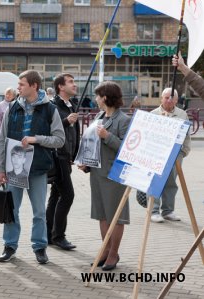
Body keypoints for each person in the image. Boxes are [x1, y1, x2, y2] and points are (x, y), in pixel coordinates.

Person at [0, 70, 65, 264]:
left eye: (22, 84)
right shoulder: (11, 108)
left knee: (39, 212)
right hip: (13, 167)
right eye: (18, 85)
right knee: (11, 209)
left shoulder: (50, 109)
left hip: (37, 168)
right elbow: (2, 140)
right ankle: (9, 246)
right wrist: (0, 167)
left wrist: (36, 140)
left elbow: (60, 140)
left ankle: (40, 247)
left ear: (34, 86)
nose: (18, 88)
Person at [78, 81, 130, 271]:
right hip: (98, 174)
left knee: (115, 216)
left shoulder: (123, 120)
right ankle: (105, 250)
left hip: (113, 176)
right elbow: (93, 145)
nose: (96, 99)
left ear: (106, 97)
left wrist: (107, 136)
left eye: (98, 96)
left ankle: (114, 253)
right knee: (102, 215)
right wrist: (87, 163)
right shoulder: (99, 117)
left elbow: (127, 149)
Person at [46, 73, 80, 251]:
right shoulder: (53, 105)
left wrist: (75, 155)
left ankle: (48, 234)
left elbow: (76, 134)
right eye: (71, 82)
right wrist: (67, 121)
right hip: (57, 156)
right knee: (68, 195)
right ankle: (59, 236)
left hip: (67, 157)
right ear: (60, 87)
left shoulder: (72, 104)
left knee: (56, 195)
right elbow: (50, 127)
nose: (74, 85)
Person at [150, 88, 191, 223]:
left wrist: (183, 151)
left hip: (175, 154)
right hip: (156, 153)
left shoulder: (182, 114)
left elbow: (186, 136)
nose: (169, 100)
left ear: (176, 100)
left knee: (171, 182)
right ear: (161, 98)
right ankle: (154, 210)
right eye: (166, 97)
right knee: (155, 181)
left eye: (172, 98)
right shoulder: (153, 114)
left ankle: (168, 210)